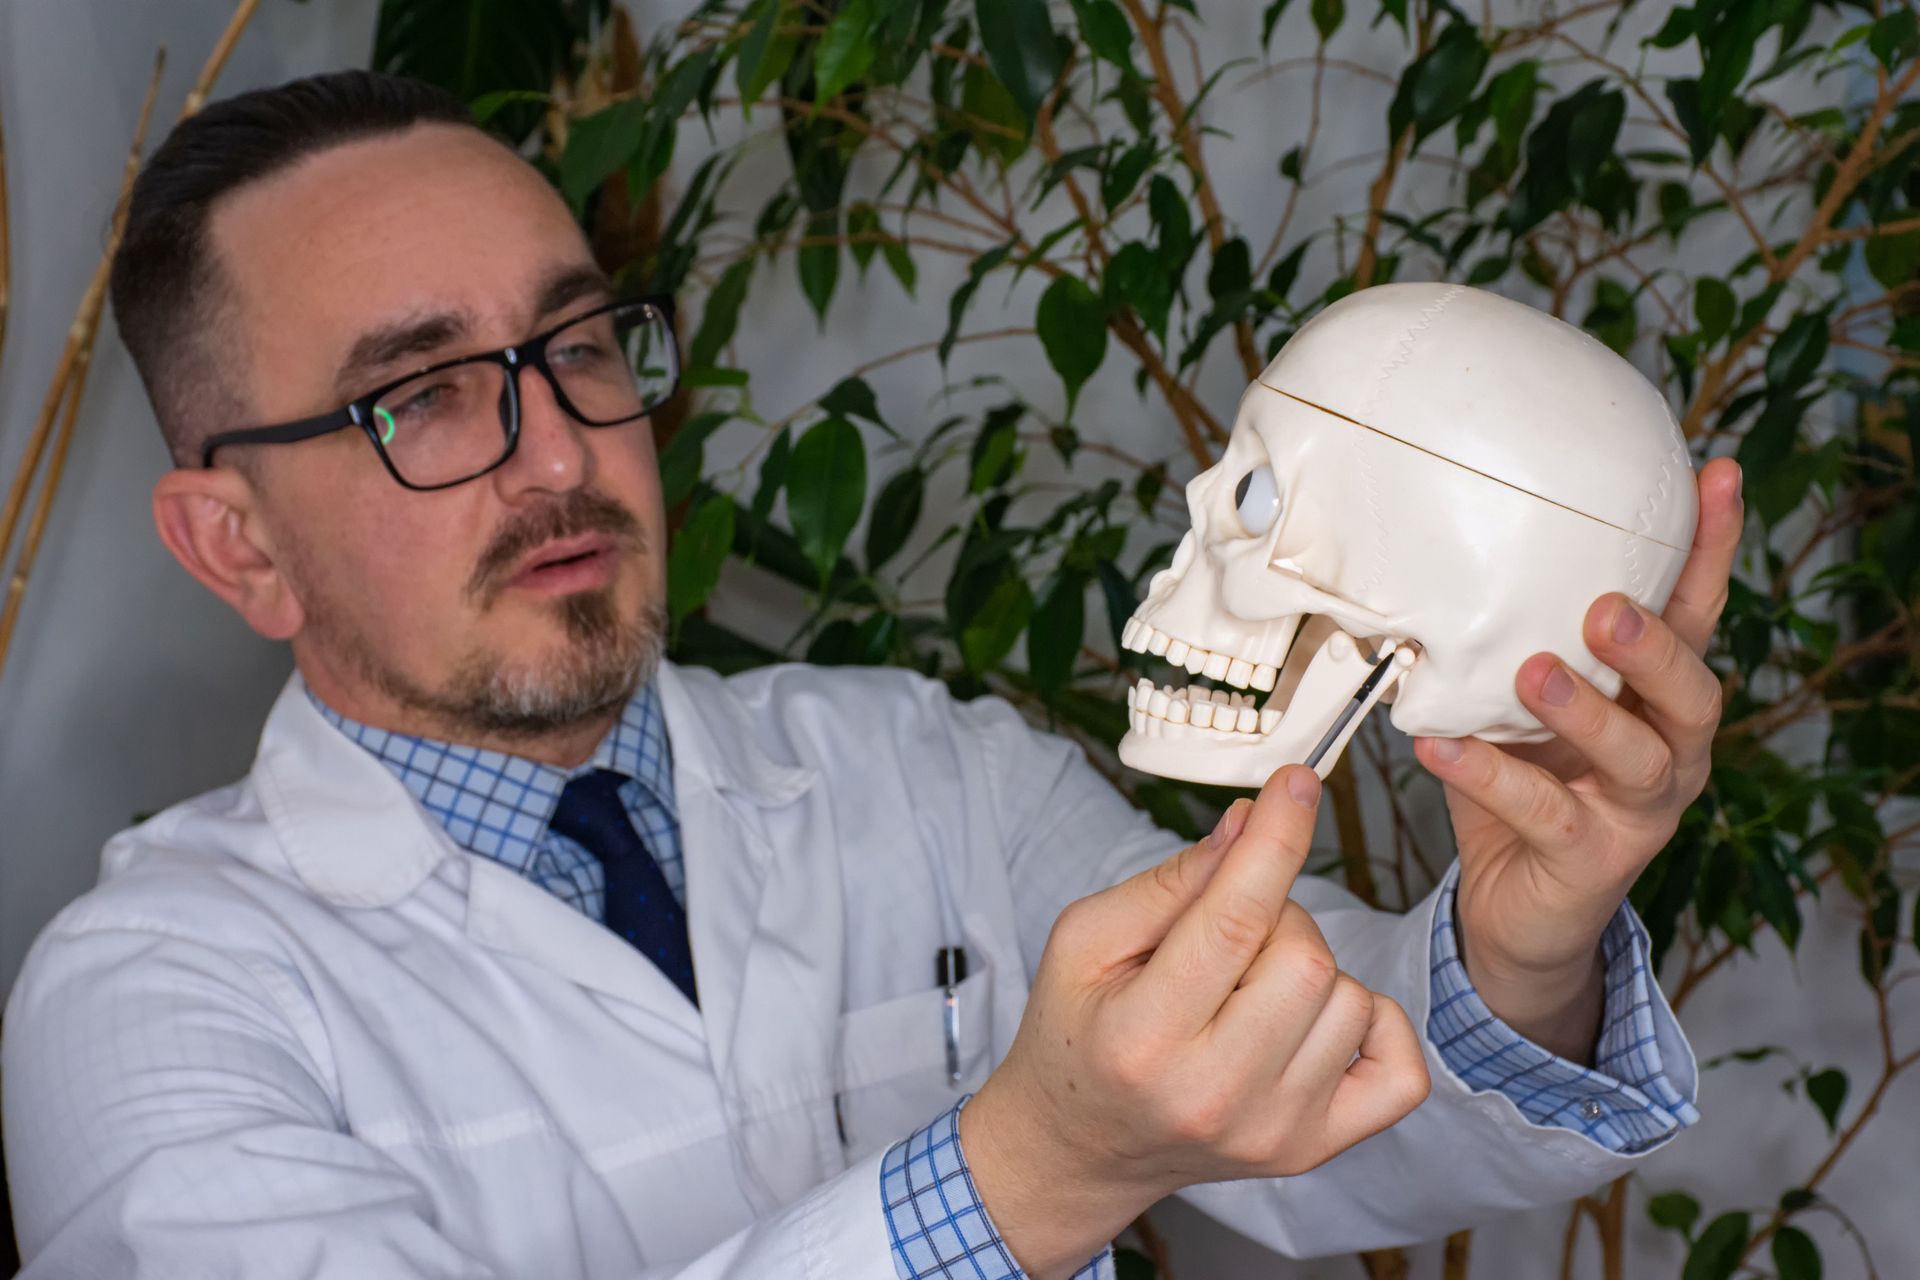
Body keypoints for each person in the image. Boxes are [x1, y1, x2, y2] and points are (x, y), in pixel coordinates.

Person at [0, 71, 1741, 1280]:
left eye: (580, 344)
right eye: (426, 395)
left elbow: (1333, 1104)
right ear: (233, 543)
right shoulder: (150, 1001)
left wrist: (1524, 953)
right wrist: (1034, 1171)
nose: (561, 457)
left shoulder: (922, 767)